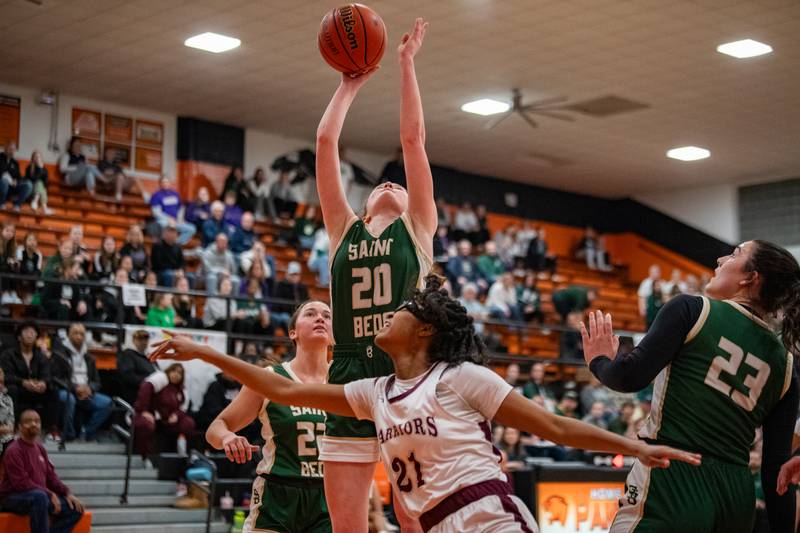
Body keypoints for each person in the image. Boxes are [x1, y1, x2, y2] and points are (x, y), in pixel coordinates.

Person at [151, 274, 701, 533]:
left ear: (423, 333)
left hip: (489, 520)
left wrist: (631, 445)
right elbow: (287, 390)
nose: (391, 313)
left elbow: (554, 427)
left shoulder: (463, 378)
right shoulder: (373, 392)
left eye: (405, 309)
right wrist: (203, 350)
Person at [310, 18, 438, 532]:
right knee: (347, 525)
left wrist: (406, 64)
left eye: (399, 184)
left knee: (413, 519)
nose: (390, 182)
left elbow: (413, 140)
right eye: (380, 184)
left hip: (406, 378)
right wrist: (347, 86)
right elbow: (324, 143)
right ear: (363, 206)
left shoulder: (419, 227)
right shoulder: (342, 230)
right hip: (346, 379)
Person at [582, 240, 800, 532]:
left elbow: (628, 378)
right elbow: (778, 474)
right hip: (736, 498)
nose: (721, 258)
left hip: (673, 476)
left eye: (735, 253)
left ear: (750, 278)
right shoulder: (786, 364)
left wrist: (598, 361)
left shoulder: (692, 309)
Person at [206, 301, 333, 533]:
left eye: (327, 315)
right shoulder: (270, 377)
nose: (320, 318)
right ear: (292, 332)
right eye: (311, 314)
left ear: (334, 335)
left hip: (328, 495)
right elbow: (216, 426)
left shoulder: (344, 380)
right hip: (277, 494)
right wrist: (226, 438)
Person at [0, 410, 84, 531]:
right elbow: (21, 483)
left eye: (37, 421)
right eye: (28, 422)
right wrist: (49, 494)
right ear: (19, 427)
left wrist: (67, 493)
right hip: (11, 497)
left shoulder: (40, 448)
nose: (34, 424)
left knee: (75, 508)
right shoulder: (14, 450)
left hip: (38, 496)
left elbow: (51, 476)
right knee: (40, 497)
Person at [51, 323, 113, 442]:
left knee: (108, 403)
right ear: (69, 335)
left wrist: (90, 389)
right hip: (67, 390)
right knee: (68, 398)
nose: (79, 336)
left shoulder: (89, 357)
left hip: (85, 391)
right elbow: (56, 378)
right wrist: (75, 388)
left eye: (82, 334)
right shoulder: (60, 354)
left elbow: (96, 381)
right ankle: (69, 434)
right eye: (75, 333)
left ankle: (86, 432)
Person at [1, 321, 56, 435]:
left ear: (36, 336)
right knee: (11, 390)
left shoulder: (40, 356)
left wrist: (43, 383)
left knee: (53, 391)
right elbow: (6, 376)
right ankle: (13, 428)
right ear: (19, 337)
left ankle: (50, 430)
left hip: (36, 390)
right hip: (18, 388)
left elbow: (47, 375)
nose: (30, 335)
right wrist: (23, 382)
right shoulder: (8, 354)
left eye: (33, 332)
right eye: (27, 332)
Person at [133, 363, 195, 459]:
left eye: (180, 373)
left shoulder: (182, 390)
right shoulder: (161, 378)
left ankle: (183, 455)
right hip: (149, 415)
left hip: (167, 421)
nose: (176, 375)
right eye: (174, 371)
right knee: (145, 424)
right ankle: (144, 457)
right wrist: (143, 410)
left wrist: (176, 415)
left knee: (188, 423)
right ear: (168, 371)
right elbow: (146, 388)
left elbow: (183, 409)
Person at [149, 176, 196, 245]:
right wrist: (169, 219)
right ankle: (165, 244)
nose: (165, 183)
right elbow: (156, 212)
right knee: (163, 225)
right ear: (160, 184)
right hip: (164, 221)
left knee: (192, 228)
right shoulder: (156, 195)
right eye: (163, 182)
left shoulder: (175, 194)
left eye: (167, 182)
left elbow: (181, 207)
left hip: (176, 221)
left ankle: (175, 243)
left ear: (170, 183)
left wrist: (180, 218)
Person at [116, 330, 157, 405]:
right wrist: (149, 382)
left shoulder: (148, 357)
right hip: (137, 393)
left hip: (152, 390)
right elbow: (129, 377)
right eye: (140, 339)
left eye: (146, 339)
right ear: (134, 340)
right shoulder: (127, 355)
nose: (144, 342)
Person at [270, 262, 309, 329]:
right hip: (284, 313)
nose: (294, 277)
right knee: (287, 319)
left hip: (298, 314)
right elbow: (277, 304)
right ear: (287, 274)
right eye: (292, 274)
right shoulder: (280, 285)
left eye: (296, 274)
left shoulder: (303, 287)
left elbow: (306, 301)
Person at [151, 224, 189, 288]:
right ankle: (168, 295)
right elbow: (157, 264)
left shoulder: (178, 247)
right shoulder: (157, 246)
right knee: (169, 275)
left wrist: (181, 270)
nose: (172, 234)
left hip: (175, 272)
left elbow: (182, 262)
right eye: (170, 232)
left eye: (174, 232)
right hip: (161, 271)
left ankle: (187, 297)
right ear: (164, 233)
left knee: (190, 276)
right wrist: (174, 272)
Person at [0, 141, 33, 211]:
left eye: (14, 149)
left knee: (29, 184)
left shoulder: (15, 163)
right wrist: (9, 179)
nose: (12, 151)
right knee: (4, 181)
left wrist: (16, 181)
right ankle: (1, 203)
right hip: (2, 185)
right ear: (5, 148)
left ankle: (17, 205)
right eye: (10, 149)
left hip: (12, 187)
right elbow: (2, 171)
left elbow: (19, 177)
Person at [25, 149, 53, 214]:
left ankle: (35, 202)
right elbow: (32, 179)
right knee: (39, 183)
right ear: (32, 158)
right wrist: (40, 169)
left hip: (39, 191)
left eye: (39, 157)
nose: (37, 158)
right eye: (35, 157)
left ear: (41, 158)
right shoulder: (29, 168)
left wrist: (41, 169)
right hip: (31, 190)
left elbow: (46, 183)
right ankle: (44, 208)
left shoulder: (44, 169)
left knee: (41, 185)